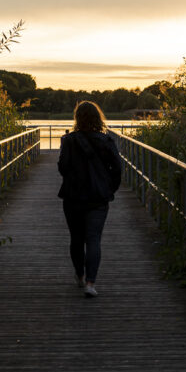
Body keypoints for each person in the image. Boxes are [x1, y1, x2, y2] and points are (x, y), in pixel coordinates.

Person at [57, 100, 121, 297]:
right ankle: (91, 283)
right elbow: (117, 169)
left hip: (73, 196)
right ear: (98, 118)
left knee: (76, 238)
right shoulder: (107, 141)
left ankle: (80, 275)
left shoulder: (68, 141)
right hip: (98, 197)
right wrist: (110, 188)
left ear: (77, 118)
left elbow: (62, 168)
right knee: (94, 239)